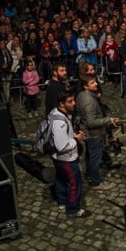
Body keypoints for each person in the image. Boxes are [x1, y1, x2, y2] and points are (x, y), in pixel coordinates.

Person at [50, 89, 91, 218]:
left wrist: (72, 134)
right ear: (61, 104)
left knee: (61, 179)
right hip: (66, 159)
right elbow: (61, 146)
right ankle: (73, 209)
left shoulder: (56, 113)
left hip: (58, 158)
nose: (74, 103)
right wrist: (76, 140)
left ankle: (62, 200)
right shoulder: (60, 122)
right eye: (70, 101)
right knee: (74, 183)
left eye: (74, 100)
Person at [76, 75, 117, 191]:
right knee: (95, 158)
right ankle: (96, 182)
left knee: (90, 156)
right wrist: (108, 120)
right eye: (92, 83)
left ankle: (90, 175)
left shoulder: (81, 95)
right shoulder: (89, 102)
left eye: (95, 82)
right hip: (93, 134)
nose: (96, 84)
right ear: (86, 86)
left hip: (87, 133)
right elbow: (91, 122)